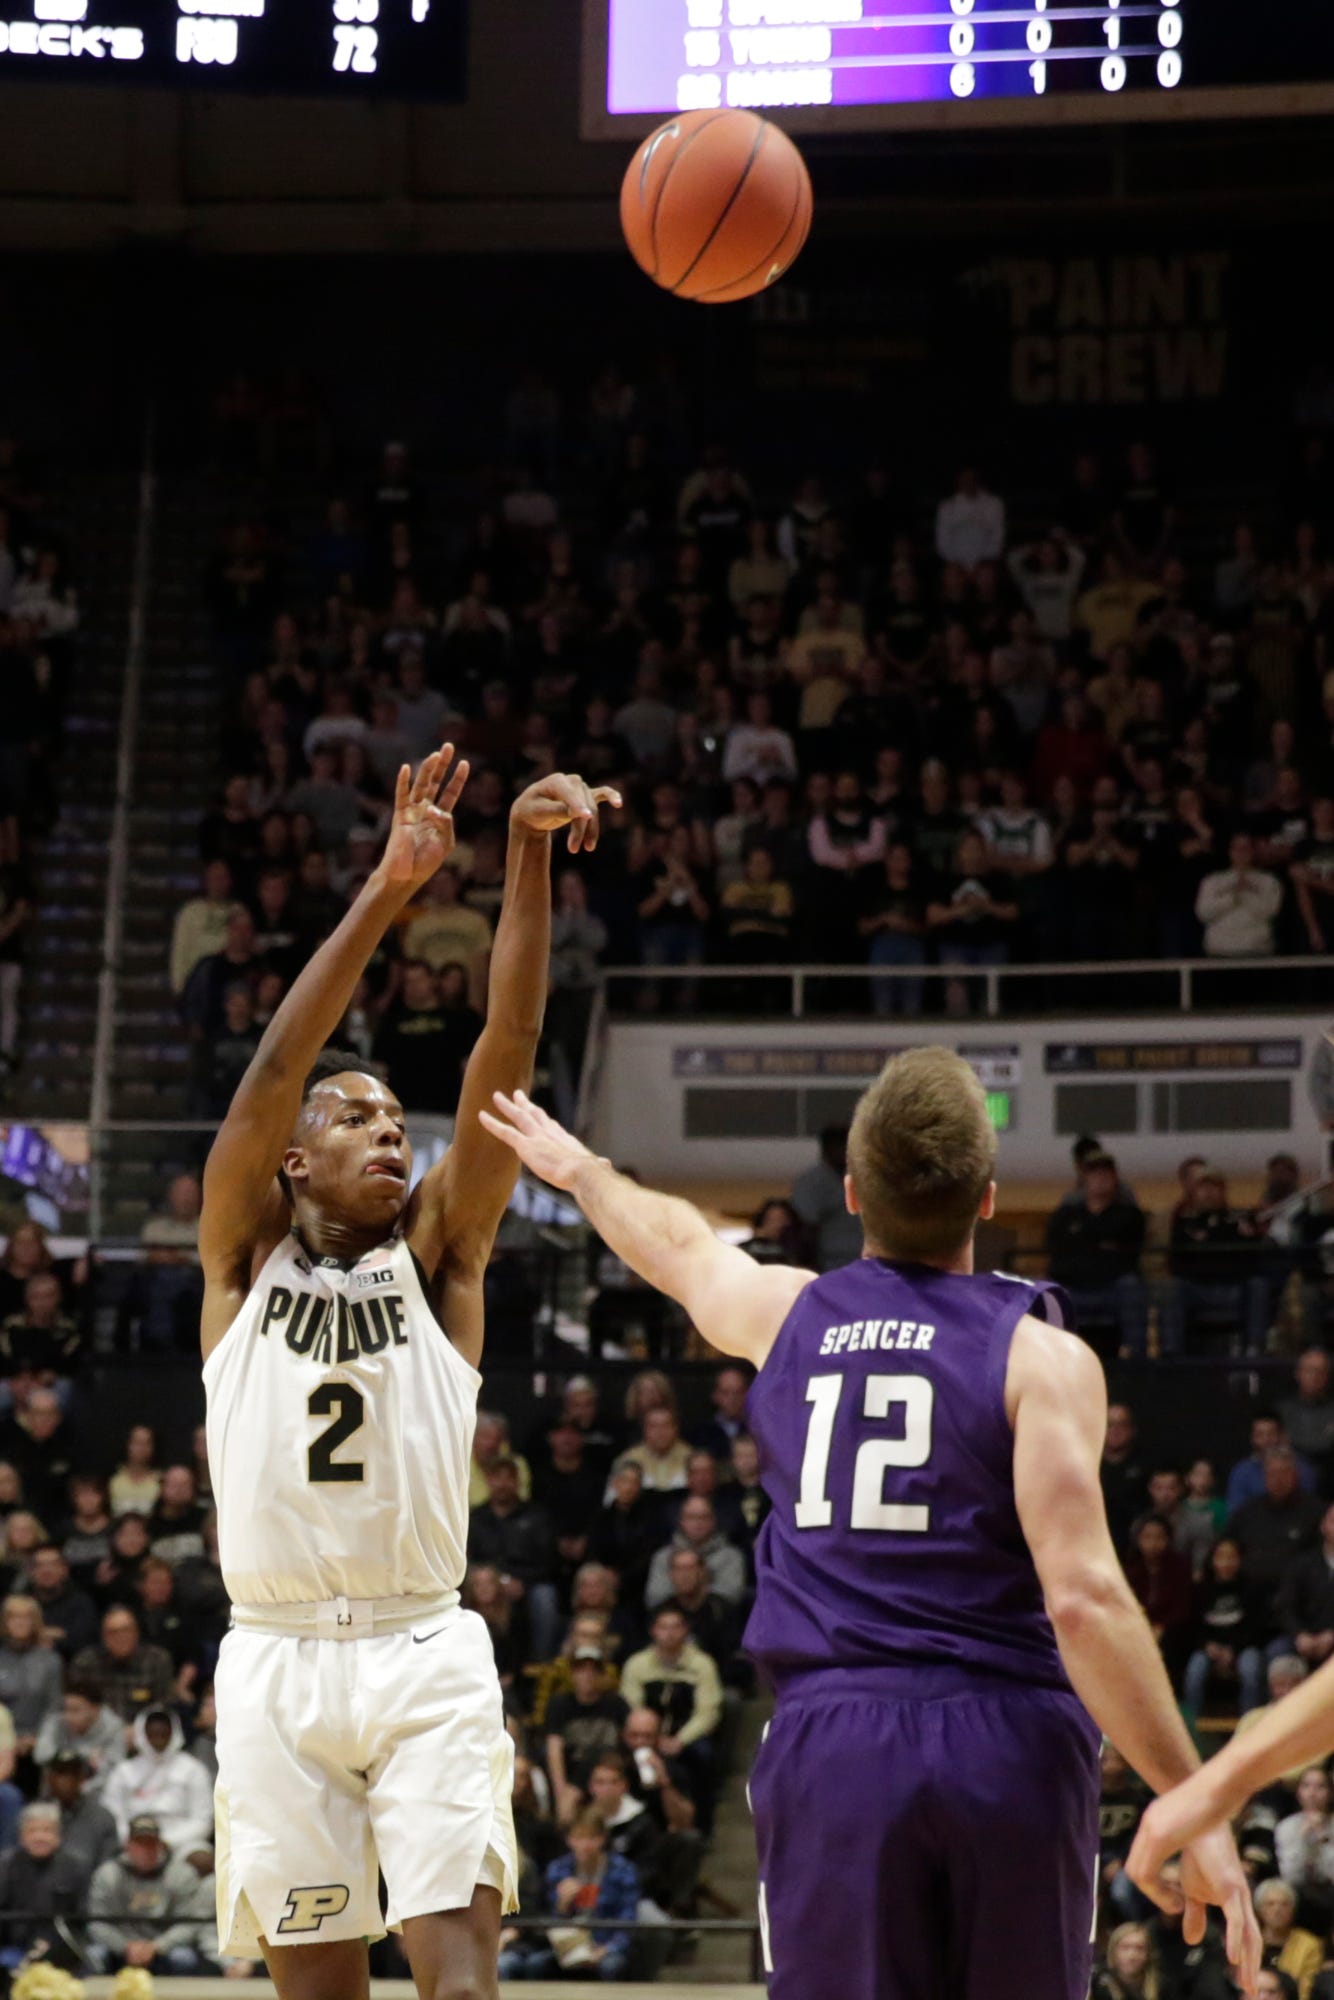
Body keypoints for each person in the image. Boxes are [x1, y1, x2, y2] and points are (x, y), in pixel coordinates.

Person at [478, 1049, 1259, 2000]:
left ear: (851, 1194)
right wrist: (1193, 1795)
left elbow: (678, 1244)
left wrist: (585, 1172)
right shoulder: (1043, 1360)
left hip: (836, 1745)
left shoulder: (789, 1314)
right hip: (1009, 1740)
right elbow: (1086, 1602)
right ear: (986, 1200)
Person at [194, 750, 615, 1997]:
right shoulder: (240, 1259)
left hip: (422, 1646)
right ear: (291, 1161)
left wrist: (524, 858)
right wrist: (387, 889)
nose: (386, 1127)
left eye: (393, 1118)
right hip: (274, 1656)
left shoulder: (437, 1256)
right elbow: (273, 1070)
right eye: (353, 1117)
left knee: (463, 1987)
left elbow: (508, 1046)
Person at [1043, 1154, 1149, 1357]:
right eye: (1094, 1174)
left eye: (1106, 1175)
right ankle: (1052, 1359)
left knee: (1132, 1287)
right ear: (1084, 1179)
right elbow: (1056, 1248)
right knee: (1048, 1291)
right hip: (1072, 1285)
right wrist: (1100, 1245)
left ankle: (1137, 1360)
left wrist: (1085, 1243)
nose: (1100, 1180)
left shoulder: (1129, 1215)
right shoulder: (1065, 1215)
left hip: (1113, 1286)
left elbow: (1128, 1253)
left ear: (1115, 1179)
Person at [87, 1813, 212, 1976]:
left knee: (184, 1958)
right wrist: (125, 1946)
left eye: (151, 1843)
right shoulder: (108, 1874)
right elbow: (97, 1923)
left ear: (161, 1845)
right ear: (127, 1845)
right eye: (139, 1844)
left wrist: (157, 1946)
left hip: (164, 1948)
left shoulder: (182, 1874)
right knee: (94, 1954)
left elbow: (189, 1923)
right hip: (120, 1947)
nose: (145, 1850)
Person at [103, 1705, 215, 1856]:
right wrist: (133, 1840)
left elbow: (202, 1821)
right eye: (153, 1733)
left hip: (181, 1842)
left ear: (174, 1733)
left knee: (202, 1859)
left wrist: (166, 1842)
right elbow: (113, 1816)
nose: (158, 1738)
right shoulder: (123, 1772)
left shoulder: (193, 1769)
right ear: (142, 1733)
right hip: (133, 1840)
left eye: (163, 1733)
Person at [0, 1802, 89, 1972]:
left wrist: (52, 1945)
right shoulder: (5, 1867)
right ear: (22, 1837)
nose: (39, 1837)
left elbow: (81, 1918)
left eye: (47, 1830)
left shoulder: (74, 1867)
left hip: (63, 1949)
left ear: (58, 1836)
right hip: (14, 1947)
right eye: (32, 1831)